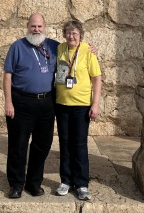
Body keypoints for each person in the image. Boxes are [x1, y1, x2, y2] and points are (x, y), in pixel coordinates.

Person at [3, 13, 58, 199]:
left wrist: (90, 49)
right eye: (33, 26)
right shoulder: (17, 47)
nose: (36, 30)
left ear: (45, 26)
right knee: (18, 146)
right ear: (27, 26)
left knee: (42, 146)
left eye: (40, 26)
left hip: (46, 104)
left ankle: (34, 183)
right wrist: (8, 102)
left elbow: (74, 51)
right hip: (21, 103)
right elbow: (7, 75)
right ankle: (16, 184)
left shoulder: (53, 46)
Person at [54, 20, 102, 201]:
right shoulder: (60, 49)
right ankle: (66, 181)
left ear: (80, 34)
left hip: (81, 105)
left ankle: (82, 183)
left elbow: (97, 78)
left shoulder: (88, 51)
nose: (71, 36)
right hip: (62, 104)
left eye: (74, 33)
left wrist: (95, 104)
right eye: (68, 33)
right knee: (65, 143)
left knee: (80, 144)